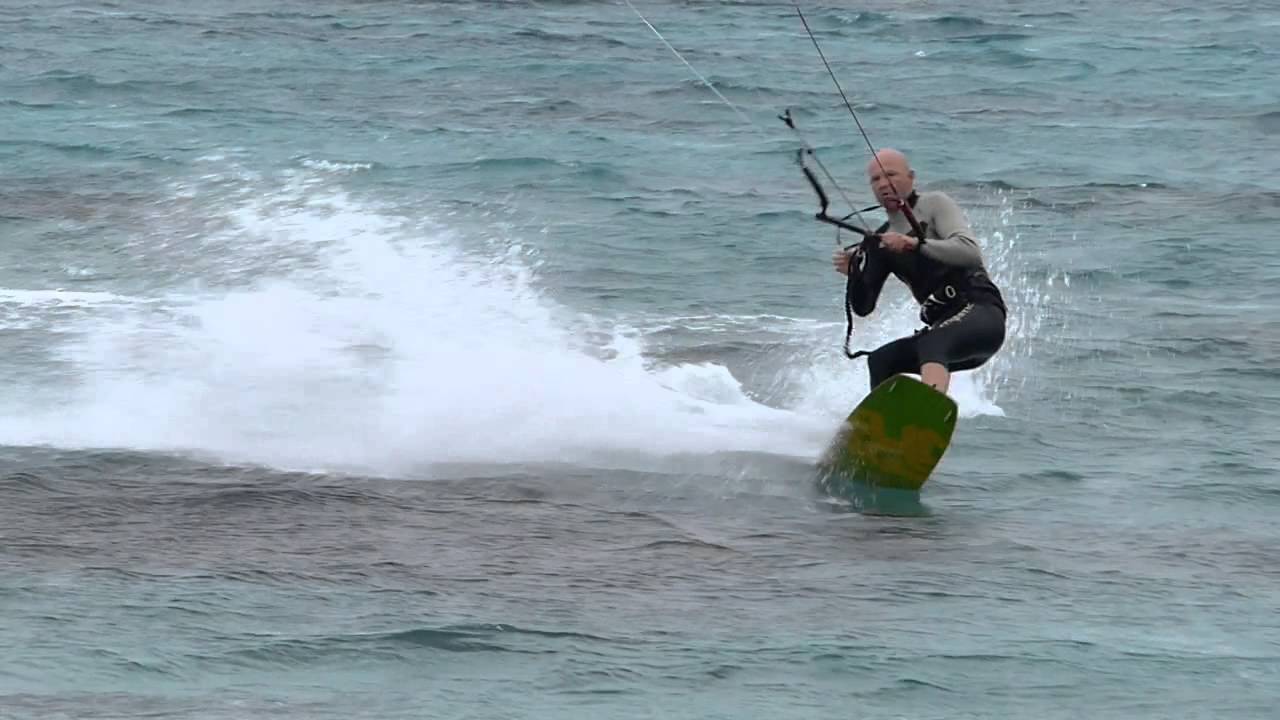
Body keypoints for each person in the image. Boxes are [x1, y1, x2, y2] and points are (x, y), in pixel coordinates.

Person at [831, 148, 1007, 394]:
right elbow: (863, 307)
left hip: (981, 314)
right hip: (944, 333)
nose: (884, 184)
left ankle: (927, 412)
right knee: (881, 361)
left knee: (931, 342)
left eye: (890, 175)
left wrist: (913, 244)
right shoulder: (881, 242)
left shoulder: (934, 204)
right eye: (876, 179)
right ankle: (887, 426)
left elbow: (970, 252)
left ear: (911, 177)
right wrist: (855, 274)